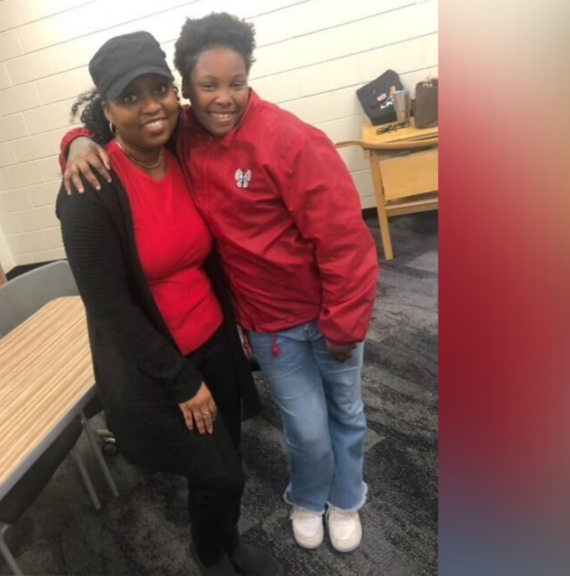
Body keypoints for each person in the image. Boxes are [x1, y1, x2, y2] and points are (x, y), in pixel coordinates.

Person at [59, 14, 378, 554]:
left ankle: (346, 497)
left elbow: (346, 241)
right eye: (207, 86)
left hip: (328, 317)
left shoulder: (290, 140)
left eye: (236, 82)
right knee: (304, 427)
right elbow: (130, 122)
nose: (222, 98)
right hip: (268, 324)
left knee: (346, 413)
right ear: (189, 89)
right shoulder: (185, 134)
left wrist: (345, 324)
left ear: (250, 76)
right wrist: (77, 141)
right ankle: (306, 495)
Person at [55, 31, 285, 576]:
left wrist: (73, 136)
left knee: (230, 454)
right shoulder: (90, 190)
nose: (151, 105)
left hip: (215, 341)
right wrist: (182, 382)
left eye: (159, 89)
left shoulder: (180, 145)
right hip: (159, 365)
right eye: (130, 97)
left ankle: (225, 540)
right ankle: (210, 556)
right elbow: (110, 307)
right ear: (105, 110)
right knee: (218, 472)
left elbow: (229, 105)